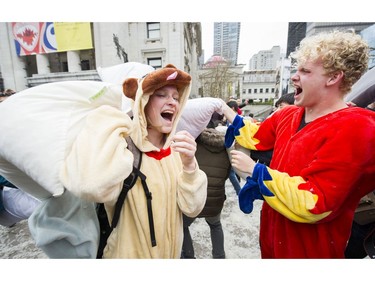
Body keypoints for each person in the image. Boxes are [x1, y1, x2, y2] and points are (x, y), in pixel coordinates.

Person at [220, 30, 375, 258]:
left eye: (305, 71)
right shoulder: (288, 114)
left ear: (333, 78)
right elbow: (256, 135)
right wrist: (222, 109)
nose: (294, 76)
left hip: (310, 250)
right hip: (272, 238)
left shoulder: (358, 130)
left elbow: (315, 202)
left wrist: (256, 171)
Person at [59, 64, 208, 258]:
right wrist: (112, 118)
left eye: (176, 97)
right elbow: (90, 186)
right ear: (142, 102)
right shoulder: (122, 149)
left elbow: (192, 208)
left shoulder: (176, 151)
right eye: (161, 95)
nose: (172, 102)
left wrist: (189, 166)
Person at [181, 118, 231, 259]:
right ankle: (219, 256)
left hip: (195, 198)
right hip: (216, 200)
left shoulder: (193, 146)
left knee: (183, 226)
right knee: (215, 225)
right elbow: (226, 175)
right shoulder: (225, 149)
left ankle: (189, 256)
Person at [225, 100, 242, 195]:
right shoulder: (232, 118)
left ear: (231, 108)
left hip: (234, 148)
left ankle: (240, 192)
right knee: (231, 173)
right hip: (231, 148)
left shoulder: (237, 119)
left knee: (231, 173)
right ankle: (240, 192)